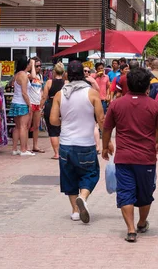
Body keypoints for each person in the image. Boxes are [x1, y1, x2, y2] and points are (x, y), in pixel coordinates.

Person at [103, 68, 158, 242]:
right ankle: (142, 223)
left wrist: (104, 146)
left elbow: (107, 128)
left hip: (124, 158)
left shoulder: (116, 104)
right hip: (146, 159)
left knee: (125, 192)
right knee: (145, 193)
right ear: (147, 87)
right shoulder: (154, 106)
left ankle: (130, 230)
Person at [50, 60, 105, 224]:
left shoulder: (60, 94)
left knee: (69, 176)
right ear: (83, 74)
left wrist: (64, 122)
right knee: (91, 173)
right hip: (86, 144)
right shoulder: (92, 93)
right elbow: (101, 119)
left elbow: (53, 121)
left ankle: (75, 210)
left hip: (66, 144)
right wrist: (106, 139)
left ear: (67, 74)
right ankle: (83, 196)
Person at [9, 57, 36, 156]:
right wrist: (29, 104)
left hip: (15, 102)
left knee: (17, 127)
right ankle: (24, 149)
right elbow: (24, 93)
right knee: (24, 127)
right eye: (29, 63)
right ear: (26, 64)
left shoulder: (17, 75)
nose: (30, 65)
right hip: (22, 103)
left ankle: (15, 148)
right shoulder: (24, 76)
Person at [40, 63, 66, 160]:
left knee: (53, 131)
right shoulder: (66, 83)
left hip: (50, 106)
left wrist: (40, 107)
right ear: (63, 72)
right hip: (63, 106)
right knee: (64, 130)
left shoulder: (49, 82)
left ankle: (56, 153)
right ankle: (64, 152)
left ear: (54, 72)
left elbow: (44, 97)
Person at [28, 57, 45, 153]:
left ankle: (35, 145)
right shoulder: (29, 75)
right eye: (37, 66)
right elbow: (33, 77)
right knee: (27, 125)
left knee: (36, 125)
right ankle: (25, 146)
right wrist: (32, 64)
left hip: (38, 103)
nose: (39, 67)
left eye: (40, 66)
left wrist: (42, 102)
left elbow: (41, 89)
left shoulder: (41, 76)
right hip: (31, 102)